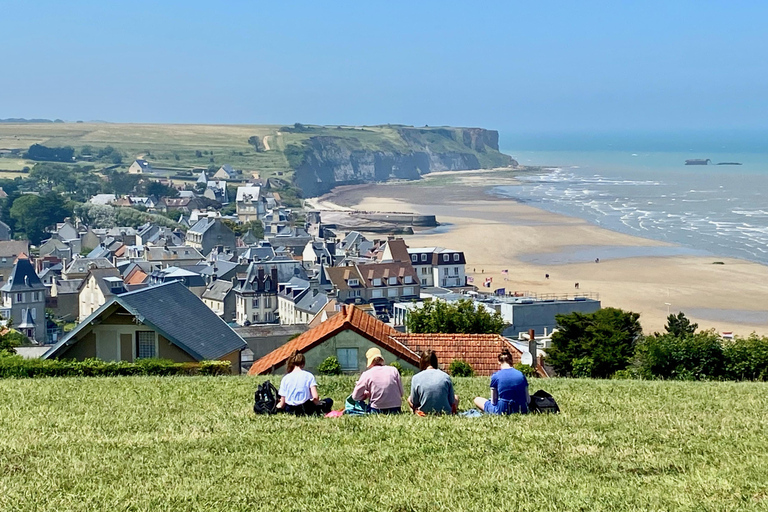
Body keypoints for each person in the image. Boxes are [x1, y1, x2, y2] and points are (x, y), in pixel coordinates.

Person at [473, 349, 529, 415]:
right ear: (511, 361)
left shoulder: (496, 376)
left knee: (477, 399)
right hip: (521, 409)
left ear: (499, 361)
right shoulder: (521, 375)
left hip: (502, 409)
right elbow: (528, 400)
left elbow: (493, 402)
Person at [352, 348, 404, 414]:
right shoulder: (393, 370)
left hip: (377, 409)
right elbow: (401, 393)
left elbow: (355, 397)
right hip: (396, 409)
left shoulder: (367, 374)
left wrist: (366, 395)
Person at [408, 350, 458, 415]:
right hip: (445, 412)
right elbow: (451, 401)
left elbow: (414, 402)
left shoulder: (416, 378)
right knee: (456, 397)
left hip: (424, 412)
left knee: (409, 398)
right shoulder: (446, 376)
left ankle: (418, 412)